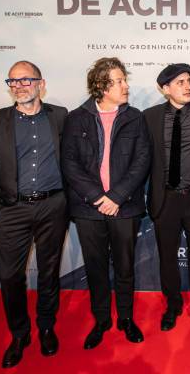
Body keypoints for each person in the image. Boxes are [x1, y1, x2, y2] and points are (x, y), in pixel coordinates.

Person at [0, 61, 68, 368]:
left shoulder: (60, 116)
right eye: (13, 81)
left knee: (48, 271)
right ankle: (19, 334)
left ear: (41, 84)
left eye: (26, 80)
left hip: (53, 206)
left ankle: (45, 326)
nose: (19, 86)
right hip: (12, 210)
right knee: (10, 276)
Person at [61, 57, 151, 349]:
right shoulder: (76, 118)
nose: (126, 86)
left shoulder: (136, 117)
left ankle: (125, 318)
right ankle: (101, 320)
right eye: (120, 81)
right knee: (96, 268)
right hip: (89, 208)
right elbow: (70, 163)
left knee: (125, 267)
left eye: (125, 80)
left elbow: (142, 162)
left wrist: (115, 197)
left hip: (124, 206)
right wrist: (98, 197)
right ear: (102, 85)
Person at [143, 64, 190, 345]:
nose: (187, 86)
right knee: (167, 258)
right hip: (166, 198)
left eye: (188, 81)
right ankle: (172, 307)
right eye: (180, 82)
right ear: (165, 89)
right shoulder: (149, 117)